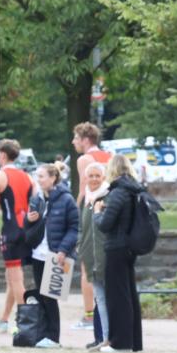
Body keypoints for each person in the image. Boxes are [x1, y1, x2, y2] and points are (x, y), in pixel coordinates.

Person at [0, 138, 34, 333]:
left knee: (16, 278)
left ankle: (25, 324)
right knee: (11, 277)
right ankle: (4, 319)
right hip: (27, 230)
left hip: (11, 231)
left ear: (2, 155)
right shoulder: (28, 177)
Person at [93, 154, 143, 353]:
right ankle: (133, 340)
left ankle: (119, 342)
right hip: (129, 247)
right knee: (129, 294)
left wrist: (98, 211)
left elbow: (105, 225)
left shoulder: (118, 192)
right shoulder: (132, 190)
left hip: (116, 247)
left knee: (117, 296)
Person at [26, 163, 79, 348]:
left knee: (50, 296)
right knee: (40, 296)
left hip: (56, 255)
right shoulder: (37, 198)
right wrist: (29, 219)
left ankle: (53, 337)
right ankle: (41, 334)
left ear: (53, 178)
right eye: (37, 176)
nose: (38, 180)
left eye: (41, 176)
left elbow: (74, 228)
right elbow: (30, 226)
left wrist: (63, 250)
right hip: (37, 254)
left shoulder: (66, 200)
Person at [71, 122, 112, 331]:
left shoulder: (85, 159)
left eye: (76, 138)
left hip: (91, 213)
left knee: (87, 264)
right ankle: (107, 311)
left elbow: (82, 190)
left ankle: (89, 315)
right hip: (110, 214)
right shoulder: (110, 156)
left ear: (85, 140)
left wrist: (74, 214)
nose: (73, 142)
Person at [77, 162, 110, 351]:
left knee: (105, 298)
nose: (95, 179)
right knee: (99, 298)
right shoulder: (86, 200)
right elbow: (82, 227)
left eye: (98, 175)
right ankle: (99, 336)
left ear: (103, 178)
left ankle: (107, 337)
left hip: (104, 256)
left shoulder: (106, 197)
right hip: (90, 257)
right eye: (91, 176)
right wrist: (80, 246)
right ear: (86, 178)